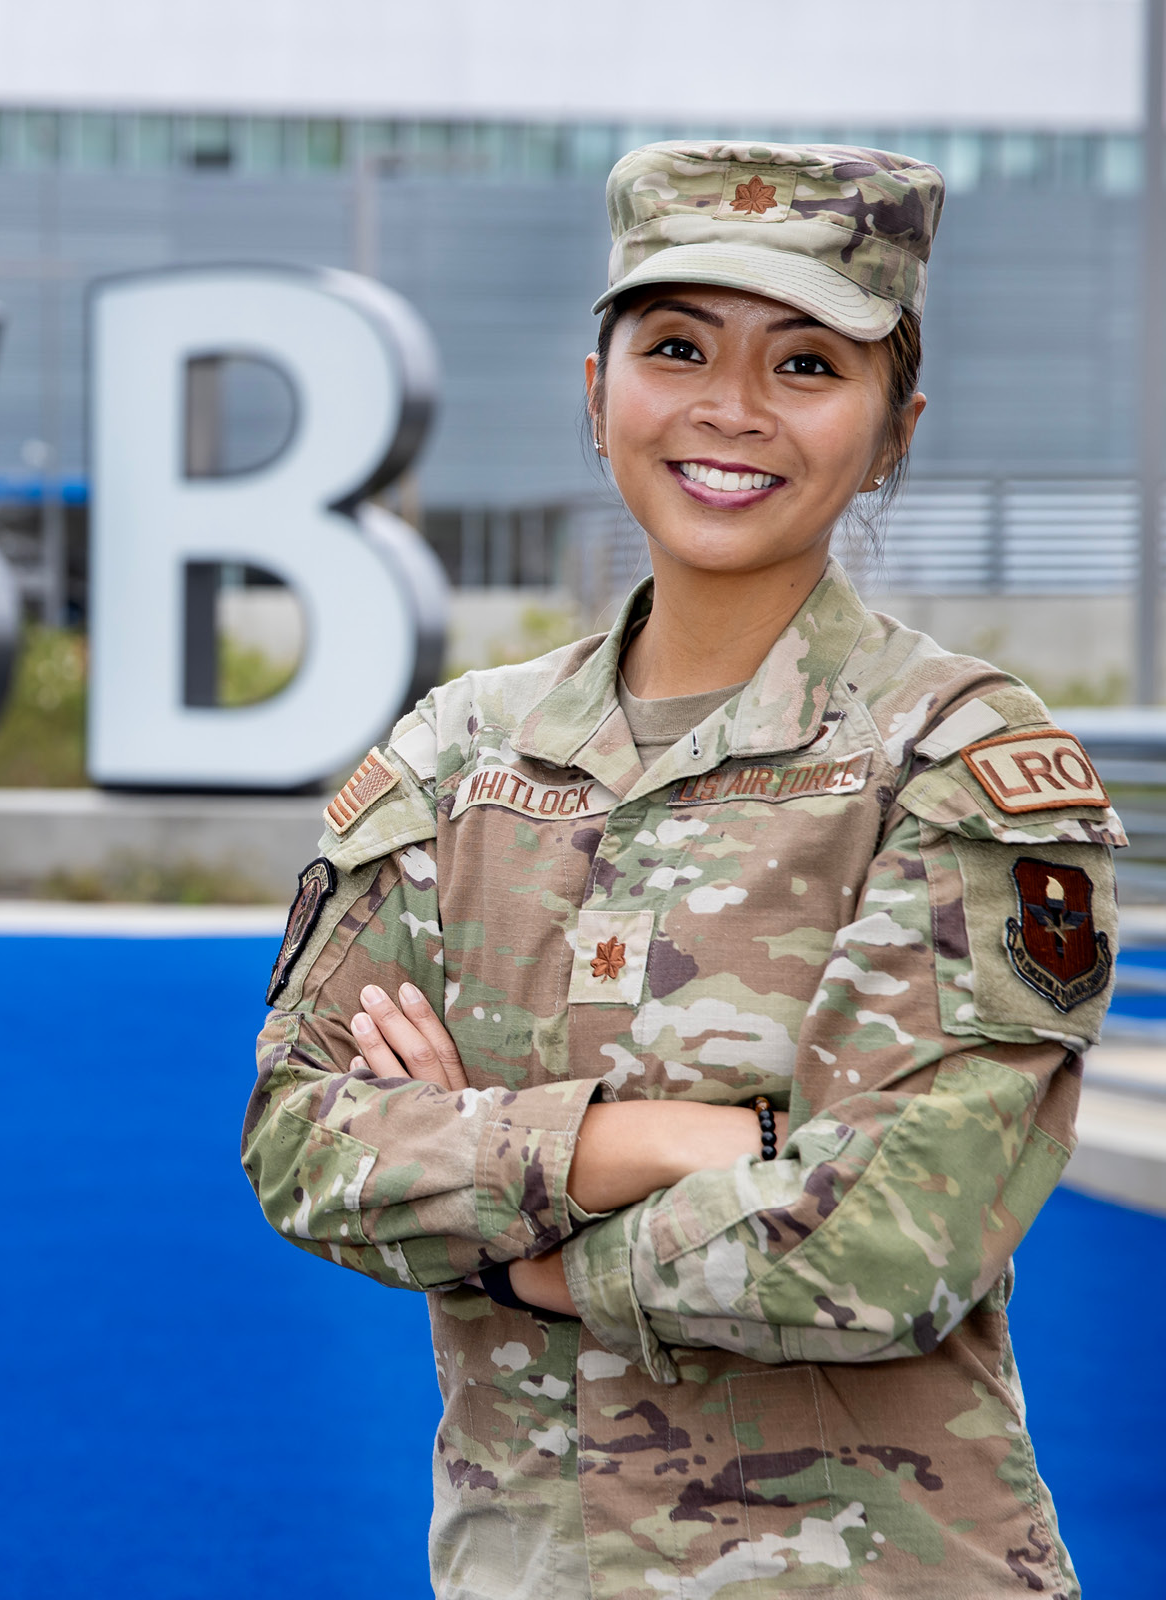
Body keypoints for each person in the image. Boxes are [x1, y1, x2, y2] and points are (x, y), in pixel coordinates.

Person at [243, 142, 1117, 1599]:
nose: (731, 409)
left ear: (894, 428)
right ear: (597, 397)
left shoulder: (959, 764)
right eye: (676, 347)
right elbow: (301, 1142)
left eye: (807, 366)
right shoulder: (464, 755)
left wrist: (511, 1235)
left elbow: (891, 1245)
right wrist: (660, 1143)